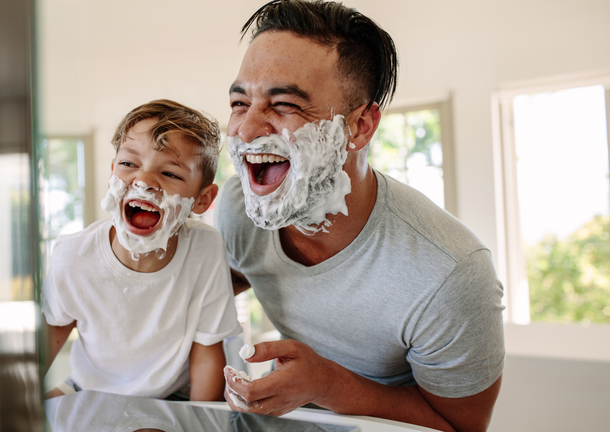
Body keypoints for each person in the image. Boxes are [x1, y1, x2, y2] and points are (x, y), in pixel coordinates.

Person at [213, 1, 505, 431]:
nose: (245, 129)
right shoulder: (241, 208)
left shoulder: (450, 273)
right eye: (240, 102)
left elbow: (462, 426)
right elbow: (214, 285)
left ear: (360, 127)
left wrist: (328, 385)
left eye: (284, 105)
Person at [42, 99, 242, 401]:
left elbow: (206, 355)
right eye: (128, 164)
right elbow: (44, 346)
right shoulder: (72, 256)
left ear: (202, 200)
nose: (145, 181)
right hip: (88, 388)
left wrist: (202, 421)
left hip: (172, 395)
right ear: (112, 173)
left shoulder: (205, 249)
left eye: (171, 174)